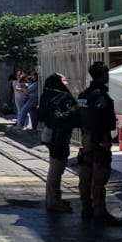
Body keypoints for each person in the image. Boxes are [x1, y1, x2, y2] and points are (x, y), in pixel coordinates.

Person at [77, 62, 122, 225]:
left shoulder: (83, 95)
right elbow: (105, 121)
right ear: (103, 75)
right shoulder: (101, 96)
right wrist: (104, 140)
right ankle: (99, 211)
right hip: (99, 138)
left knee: (86, 174)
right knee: (99, 177)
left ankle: (86, 208)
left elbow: (79, 117)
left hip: (86, 137)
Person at [38, 74, 78, 212]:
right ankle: (53, 201)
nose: (66, 82)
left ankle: (53, 198)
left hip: (49, 134)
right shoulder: (62, 97)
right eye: (64, 80)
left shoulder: (47, 95)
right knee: (57, 169)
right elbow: (69, 116)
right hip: (59, 136)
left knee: (54, 168)